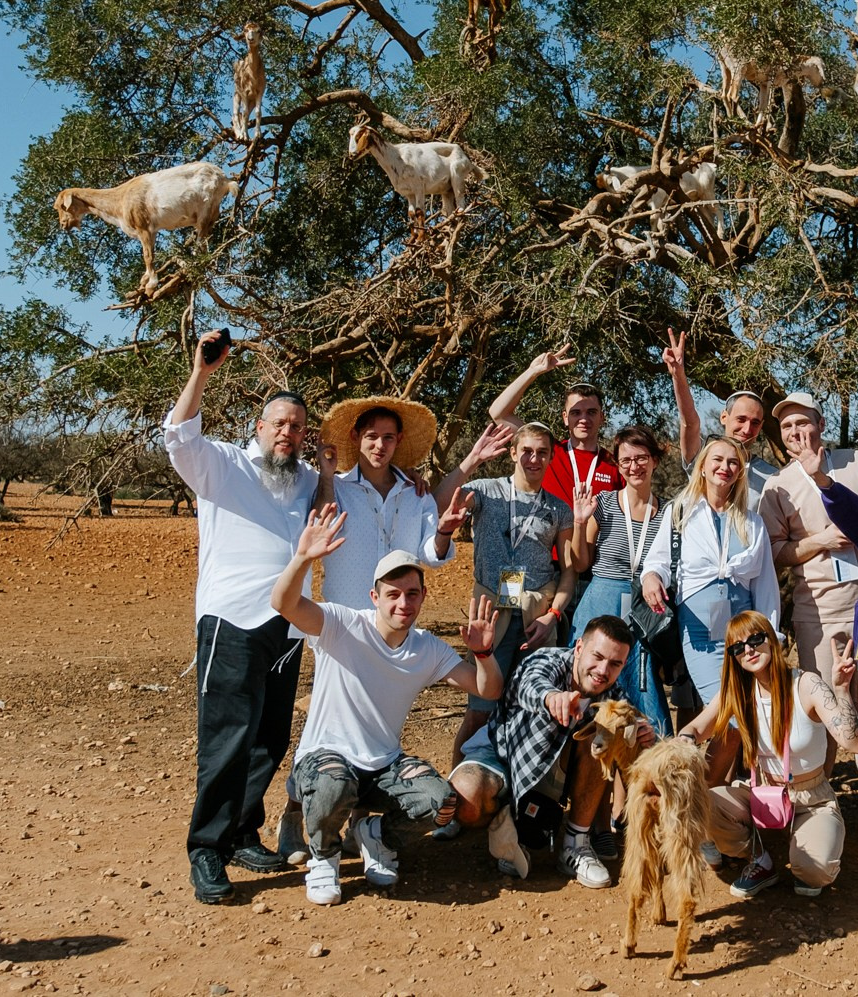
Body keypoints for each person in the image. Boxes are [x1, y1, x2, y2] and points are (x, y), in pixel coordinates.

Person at [162, 329, 331, 904]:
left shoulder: (305, 479)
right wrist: (201, 372)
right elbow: (179, 436)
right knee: (227, 738)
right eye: (279, 423)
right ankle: (206, 849)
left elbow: (331, 509)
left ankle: (240, 832)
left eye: (297, 426)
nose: (288, 432)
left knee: (268, 737)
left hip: (287, 626)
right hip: (231, 621)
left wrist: (327, 470)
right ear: (258, 428)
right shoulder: (223, 465)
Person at [270, 509, 504, 904]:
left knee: (441, 802)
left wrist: (483, 653)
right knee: (332, 785)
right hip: (326, 758)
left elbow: (489, 689)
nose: (403, 603)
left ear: (423, 596)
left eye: (412, 594)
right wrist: (303, 558)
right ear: (374, 597)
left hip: (382, 766)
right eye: (393, 594)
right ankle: (324, 856)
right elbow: (283, 603)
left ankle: (375, 836)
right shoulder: (341, 625)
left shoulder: (426, 648)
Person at [758, 391, 858, 849]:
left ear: (820, 423)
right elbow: (775, 553)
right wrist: (819, 541)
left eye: (804, 423)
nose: (797, 433)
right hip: (816, 614)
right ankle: (819, 813)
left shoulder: (856, 462)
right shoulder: (778, 486)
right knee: (827, 711)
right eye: (787, 427)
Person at [449, 615, 653, 888]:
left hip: (549, 774)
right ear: (579, 648)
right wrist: (551, 697)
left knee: (606, 727)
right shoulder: (546, 660)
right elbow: (531, 684)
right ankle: (505, 820)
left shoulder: (613, 693)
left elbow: (632, 723)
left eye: (615, 664)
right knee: (466, 801)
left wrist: (641, 734)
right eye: (597, 656)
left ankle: (575, 843)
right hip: (502, 752)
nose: (603, 670)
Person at [683, 611, 858, 898]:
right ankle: (759, 859)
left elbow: (853, 744)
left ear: (771, 639)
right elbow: (697, 728)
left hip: (811, 798)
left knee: (813, 874)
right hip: (763, 795)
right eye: (738, 647)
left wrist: (841, 690)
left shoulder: (806, 684)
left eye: (755, 639)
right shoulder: (738, 692)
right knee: (704, 803)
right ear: (733, 657)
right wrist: (683, 741)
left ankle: (808, 845)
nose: (748, 650)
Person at [450, 422, 578, 762]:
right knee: (479, 711)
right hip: (491, 614)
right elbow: (439, 502)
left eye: (542, 453)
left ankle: (514, 787)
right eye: (527, 451)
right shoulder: (486, 491)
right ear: (512, 453)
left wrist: (554, 616)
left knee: (531, 711)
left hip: (536, 618)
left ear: (551, 457)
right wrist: (473, 460)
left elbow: (568, 571)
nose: (534, 459)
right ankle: (458, 787)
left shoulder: (559, 509)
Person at [314, 395, 513, 607]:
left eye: (388, 437)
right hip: (345, 617)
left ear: (398, 440)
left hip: (399, 618)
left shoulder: (416, 494)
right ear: (355, 437)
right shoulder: (336, 488)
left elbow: (430, 554)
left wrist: (444, 532)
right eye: (371, 436)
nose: (380, 445)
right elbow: (322, 528)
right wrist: (326, 475)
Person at [639, 437, 780, 704]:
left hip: (747, 634)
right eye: (718, 459)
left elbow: (765, 586)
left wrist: (771, 634)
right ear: (702, 466)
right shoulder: (679, 511)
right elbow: (657, 561)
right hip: (699, 631)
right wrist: (651, 578)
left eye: (733, 462)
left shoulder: (753, 523)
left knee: (753, 706)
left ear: (740, 473)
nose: (725, 467)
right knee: (722, 704)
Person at [569, 425, 674, 733]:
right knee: (589, 681)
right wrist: (579, 523)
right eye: (626, 460)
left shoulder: (669, 512)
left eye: (641, 458)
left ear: (654, 460)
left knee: (642, 685)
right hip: (601, 602)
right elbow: (580, 563)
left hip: (644, 609)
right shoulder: (603, 503)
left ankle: (653, 754)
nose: (634, 466)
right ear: (617, 465)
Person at [487, 343, 625, 510]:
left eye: (591, 412)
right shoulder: (548, 451)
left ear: (601, 417)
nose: (583, 419)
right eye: (576, 413)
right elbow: (498, 414)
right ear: (565, 418)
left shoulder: (615, 464)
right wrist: (532, 372)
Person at [662, 329, 780, 505]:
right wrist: (678, 376)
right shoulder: (704, 459)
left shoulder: (772, 477)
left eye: (755, 423)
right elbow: (690, 423)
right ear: (724, 417)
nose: (747, 429)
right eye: (741, 419)